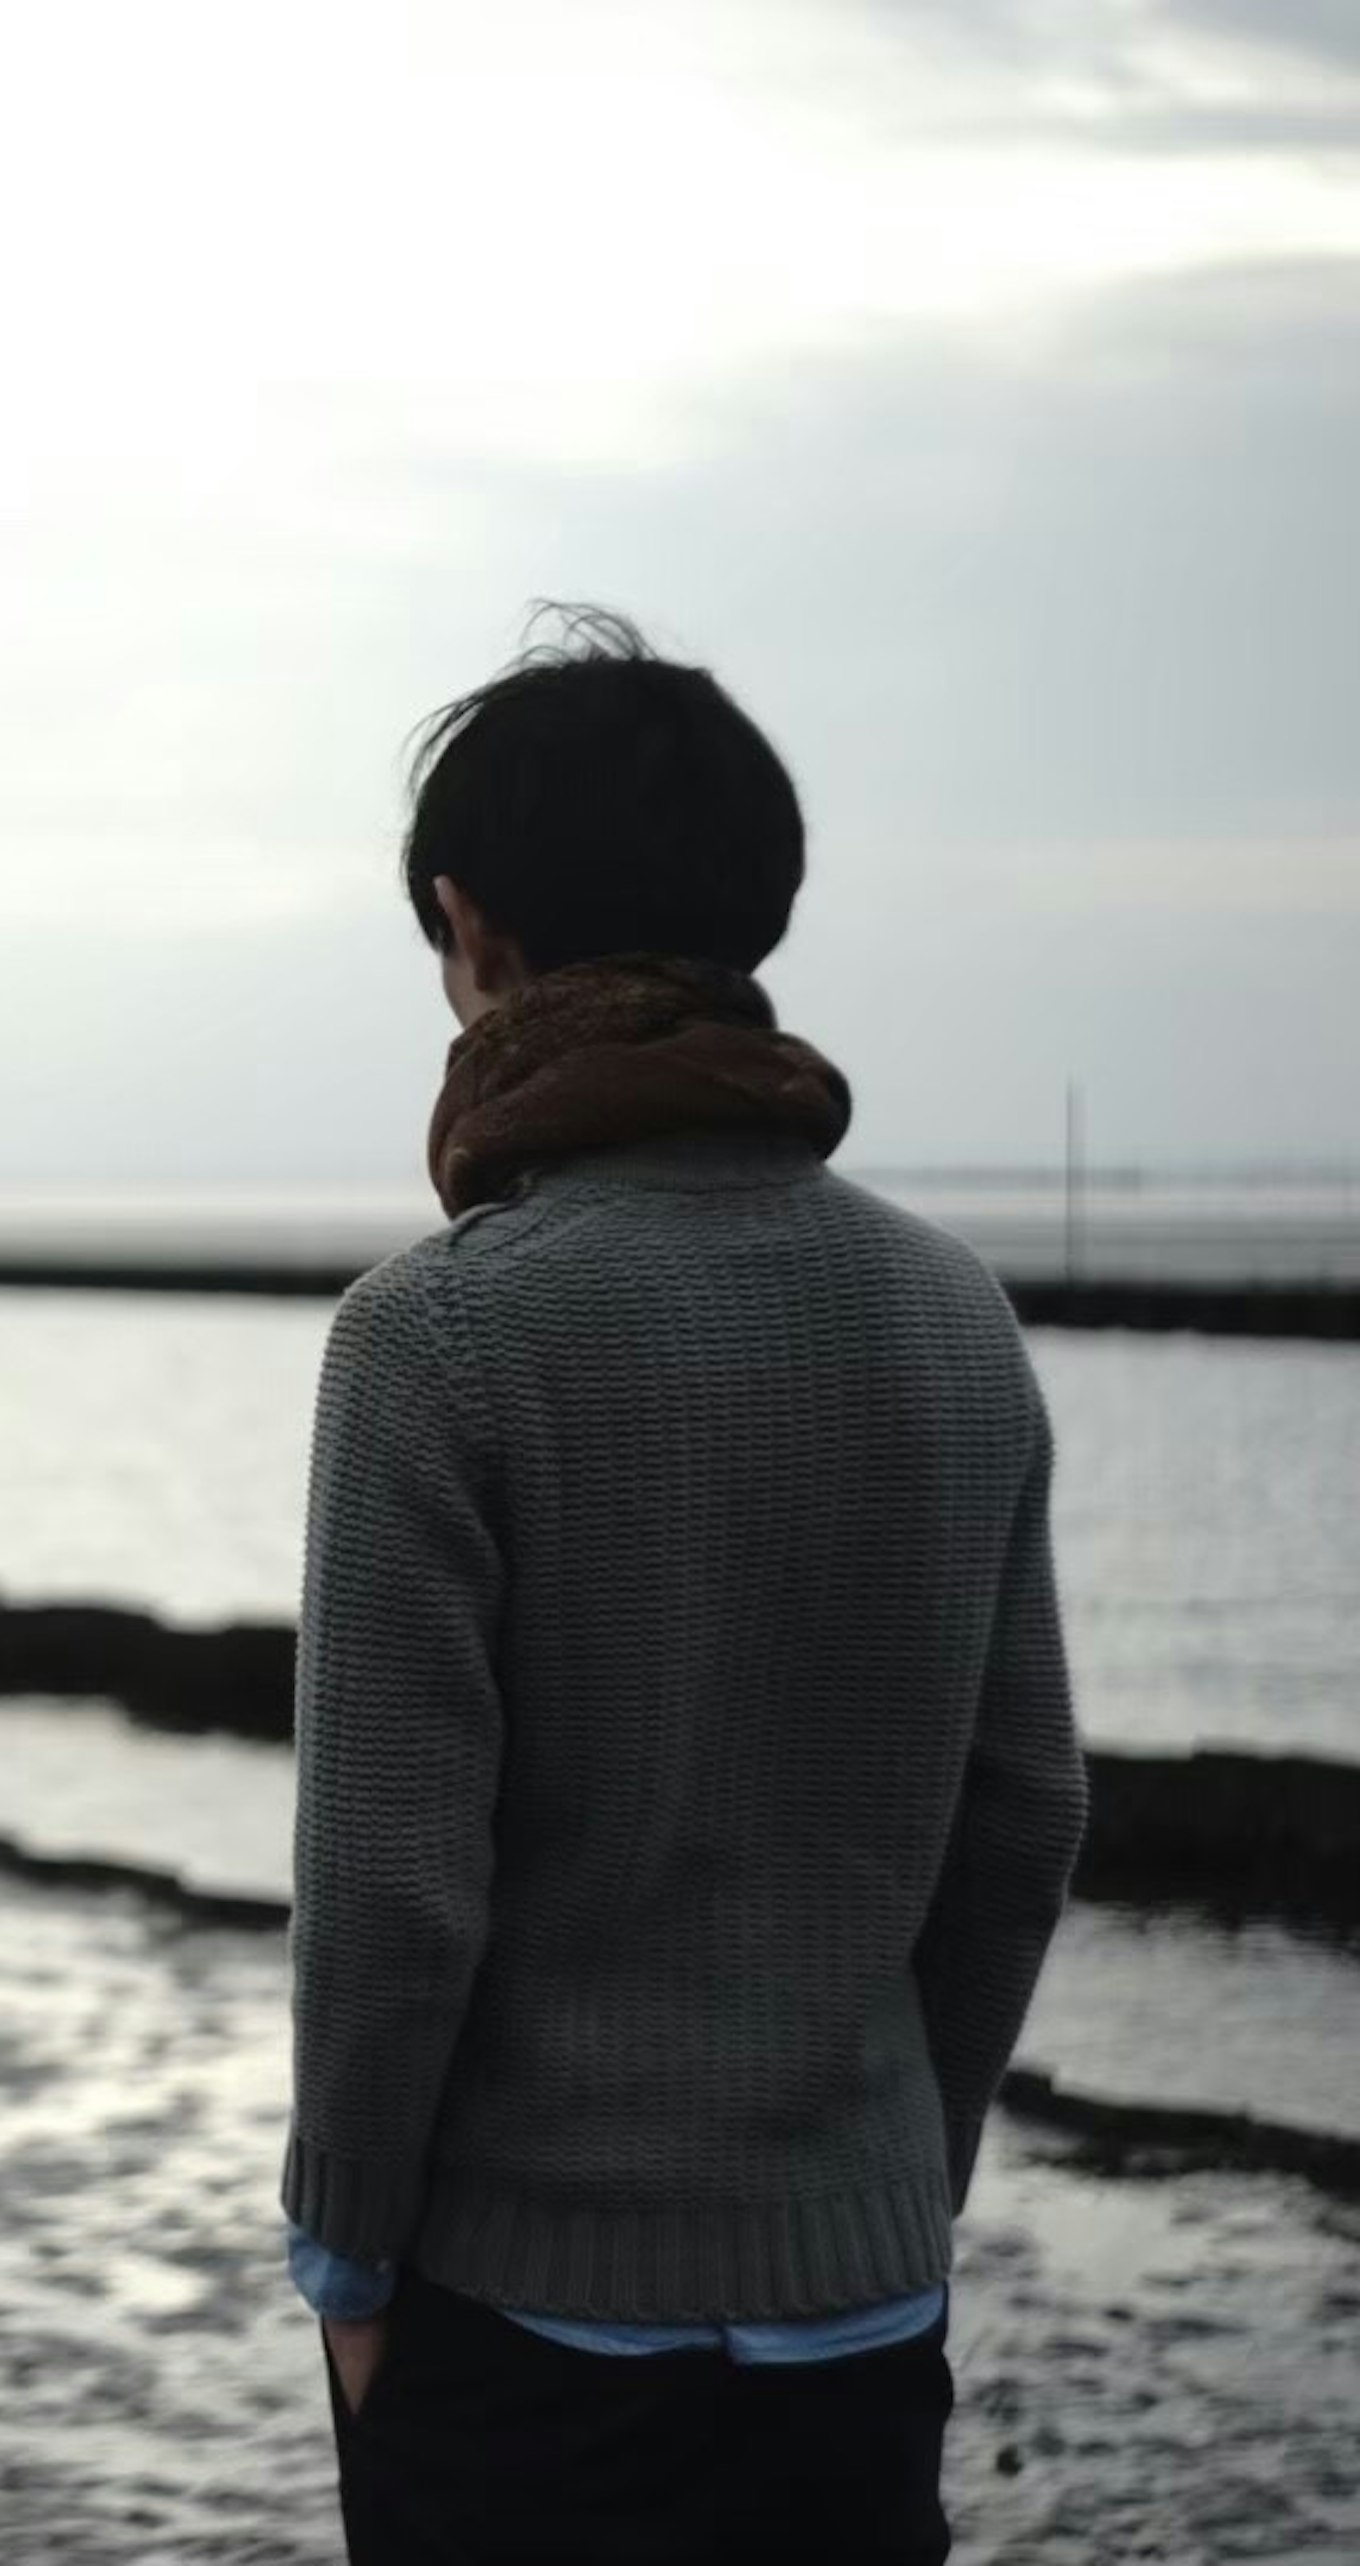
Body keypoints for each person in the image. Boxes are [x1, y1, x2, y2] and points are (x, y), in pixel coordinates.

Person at [280, 607, 1090, 2563]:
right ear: (753, 921)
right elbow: (1023, 1815)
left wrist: (351, 2271)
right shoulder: (953, 1316)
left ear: (473, 931)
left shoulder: (435, 1338)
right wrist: (898, 2173)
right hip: (862, 2317)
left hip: (522, 2332)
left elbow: (393, 1899)